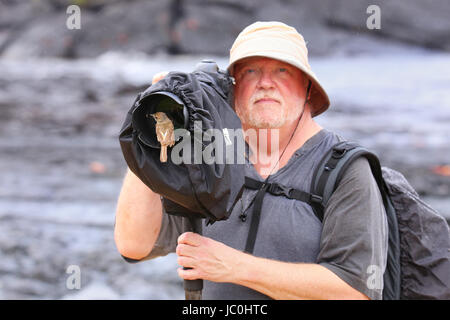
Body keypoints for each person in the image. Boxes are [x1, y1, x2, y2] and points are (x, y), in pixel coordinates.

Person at [114, 21, 388, 300]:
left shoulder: (344, 170)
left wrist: (235, 268)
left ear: (307, 86)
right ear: (231, 89)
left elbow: (356, 292)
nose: (265, 83)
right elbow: (134, 244)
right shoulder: (210, 156)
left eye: (282, 70)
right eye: (250, 71)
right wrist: (153, 130)